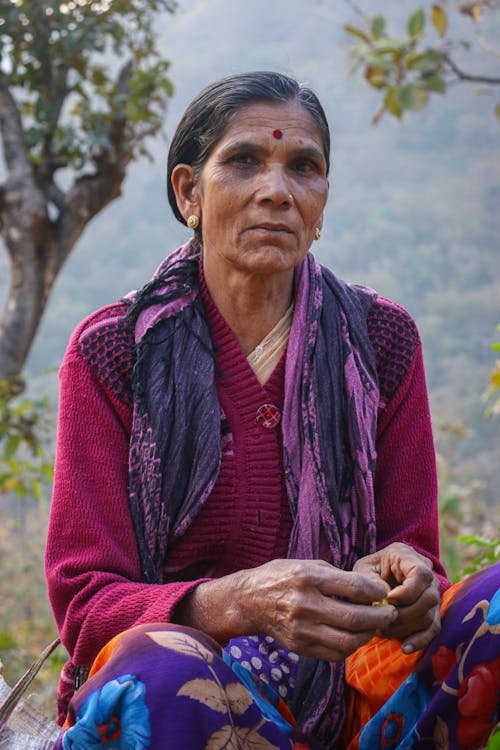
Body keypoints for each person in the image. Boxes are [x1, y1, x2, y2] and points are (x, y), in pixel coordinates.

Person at [45, 71, 499, 750]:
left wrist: (406, 583)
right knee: (159, 666)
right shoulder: (113, 353)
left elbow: (418, 554)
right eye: (245, 161)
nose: (277, 191)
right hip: (190, 706)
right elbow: (86, 608)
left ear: (322, 201)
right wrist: (239, 602)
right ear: (189, 193)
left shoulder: (381, 340)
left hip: (353, 699)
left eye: (304, 167)